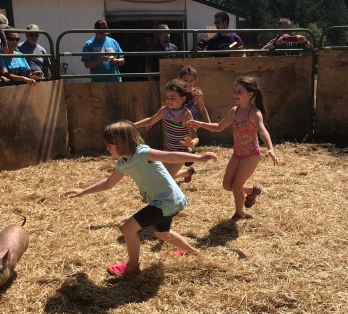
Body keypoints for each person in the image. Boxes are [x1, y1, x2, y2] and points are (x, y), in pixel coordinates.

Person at [64, 121, 217, 276]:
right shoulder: (122, 162)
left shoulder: (143, 153)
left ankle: (132, 267)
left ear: (121, 143)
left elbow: (170, 156)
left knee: (128, 228)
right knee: (162, 234)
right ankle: (193, 252)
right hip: (164, 201)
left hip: (167, 200)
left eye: (110, 145)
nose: (107, 148)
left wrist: (199, 157)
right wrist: (83, 191)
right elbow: (109, 183)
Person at [187, 75, 278, 221]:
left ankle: (239, 214)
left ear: (250, 94)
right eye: (234, 91)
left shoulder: (254, 113)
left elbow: (262, 131)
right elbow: (218, 127)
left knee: (236, 186)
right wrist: (200, 123)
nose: (235, 94)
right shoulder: (234, 111)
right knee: (227, 185)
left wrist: (271, 149)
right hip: (237, 154)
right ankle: (252, 191)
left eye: (239, 91)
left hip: (251, 155)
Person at [134, 79, 199, 183]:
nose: (169, 100)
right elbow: (151, 120)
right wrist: (133, 126)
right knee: (163, 175)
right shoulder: (165, 110)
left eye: (173, 98)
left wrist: (191, 144)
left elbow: (195, 137)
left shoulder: (186, 115)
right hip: (168, 149)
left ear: (183, 99)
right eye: (167, 97)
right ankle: (187, 172)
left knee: (165, 178)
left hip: (181, 152)